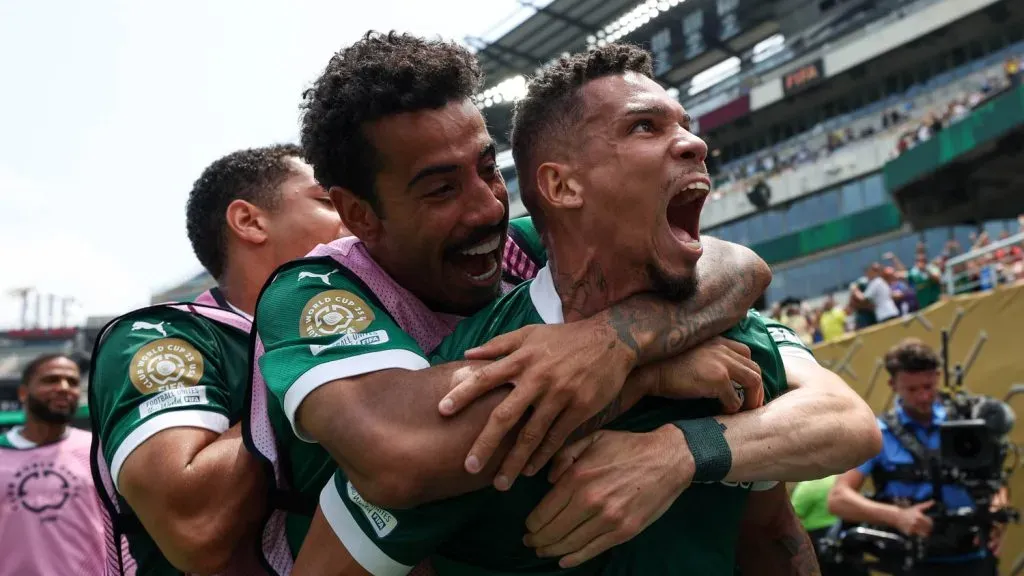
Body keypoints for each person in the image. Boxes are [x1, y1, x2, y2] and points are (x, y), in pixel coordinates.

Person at [290, 40, 880, 576]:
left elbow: (778, 526)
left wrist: (672, 439)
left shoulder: (720, 333)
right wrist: (644, 374)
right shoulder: (464, 402)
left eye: (488, 170)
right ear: (562, 187)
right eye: (644, 127)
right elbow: (388, 466)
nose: (487, 207)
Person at [88, 144, 346, 575]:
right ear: (249, 221)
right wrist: (317, 371)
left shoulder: (384, 318)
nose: (354, 214)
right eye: (327, 201)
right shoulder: (160, 336)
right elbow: (195, 526)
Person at [828, 338, 1006, 575]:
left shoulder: (964, 423)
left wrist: (998, 512)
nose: (923, 396)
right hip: (915, 563)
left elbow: (995, 482)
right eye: (912, 389)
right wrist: (898, 516)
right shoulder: (878, 434)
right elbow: (838, 499)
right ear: (893, 384)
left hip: (976, 556)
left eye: (928, 386)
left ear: (938, 377)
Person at [0, 354, 105, 576]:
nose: (64, 388)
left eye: (73, 382)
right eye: (51, 380)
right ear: (23, 393)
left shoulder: (97, 451)